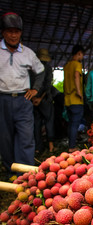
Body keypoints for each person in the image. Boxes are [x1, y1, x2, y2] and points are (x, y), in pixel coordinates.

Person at [0, 12, 44, 179]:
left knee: (26, 137)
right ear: (3, 32)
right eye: (9, 31)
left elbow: (40, 72)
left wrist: (35, 89)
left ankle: (25, 174)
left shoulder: (28, 54)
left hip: (22, 99)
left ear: (20, 33)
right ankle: (10, 170)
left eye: (16, 31)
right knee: (4, 138)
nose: (13, 35)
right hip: (2, 99)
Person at [32, 48, 55, 153]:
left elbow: (28, 84)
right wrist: (40, 98)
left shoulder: (31, 69)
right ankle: (51, 146)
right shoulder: (48, 68)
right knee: (49, 121)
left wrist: (33, 98)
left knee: (36, 123)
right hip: (45, 99)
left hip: (32, 98)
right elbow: (48, 86)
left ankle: (38, 148)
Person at [63, 44, 85, 153]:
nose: (82, 57)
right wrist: (79, 92)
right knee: (75, 124)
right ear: (79, 53)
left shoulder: (67, 66)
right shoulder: (77, 64)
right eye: (82, 55)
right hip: (75, 99)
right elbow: (77, 76)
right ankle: (72, 147)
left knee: (71, 123)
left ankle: (70, 144)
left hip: (67, 99)